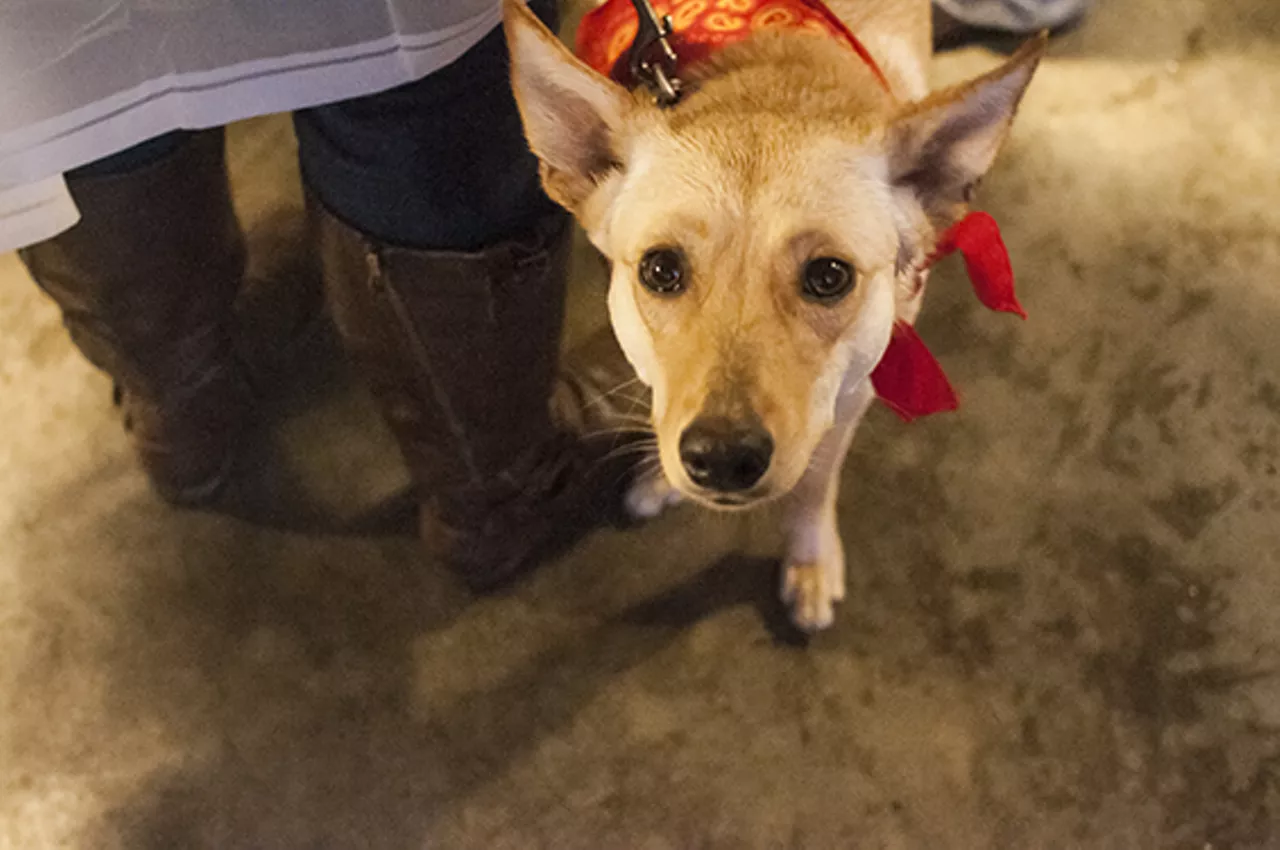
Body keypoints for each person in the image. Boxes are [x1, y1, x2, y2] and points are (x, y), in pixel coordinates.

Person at [0, 0, 1084, 589]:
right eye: (664, 272)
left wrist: (809, 516)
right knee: (396, 91)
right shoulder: (629, 157)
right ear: (582, 171)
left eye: (822, 279)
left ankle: (175, 408)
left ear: (930, 189)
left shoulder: (891, 195)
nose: (724, 405)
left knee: (91, 95)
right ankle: (490, 498)